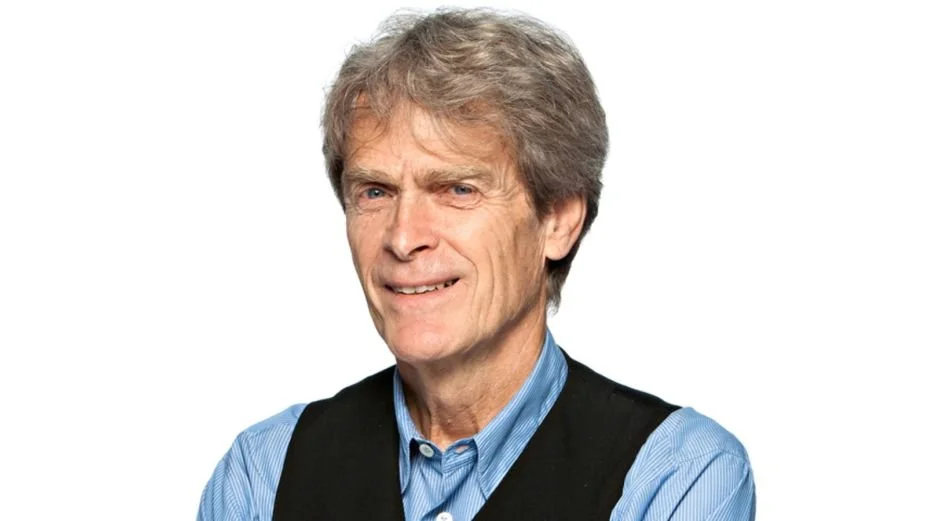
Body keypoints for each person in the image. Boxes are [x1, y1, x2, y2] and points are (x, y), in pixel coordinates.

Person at [198, 8, 755, 521]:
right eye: (375, 192)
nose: (403, 237)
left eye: (457, 189)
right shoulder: (263, 473)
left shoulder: (675, 476)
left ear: (558, 220)